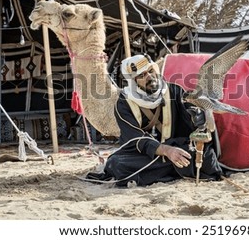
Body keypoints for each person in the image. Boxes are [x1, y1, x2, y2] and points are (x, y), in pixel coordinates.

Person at [87, 54, 222, 187]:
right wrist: (166, 151)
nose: (150, 77)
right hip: (145, 155)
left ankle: (162, 172)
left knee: (204, 156)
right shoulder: (124, 104)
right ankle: (175, 171)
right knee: (116, 164)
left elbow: (194, 126)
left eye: (150, 71)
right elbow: (134, 138)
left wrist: (198, 119)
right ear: (133, 82)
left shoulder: (175, 91)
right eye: (142, 75)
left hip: (177, 148)